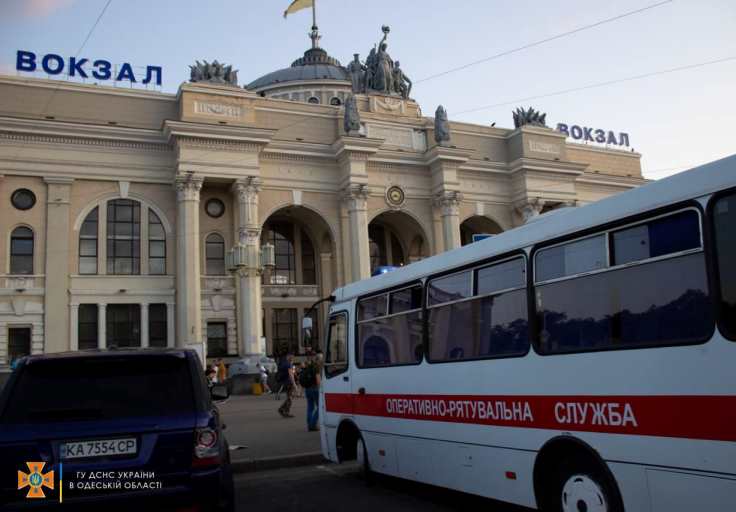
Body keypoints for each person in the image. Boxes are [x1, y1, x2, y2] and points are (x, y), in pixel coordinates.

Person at [300, 350, 322, 431]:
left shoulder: (305, 365)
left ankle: (309, 425)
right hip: (314, 389)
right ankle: (313, 424)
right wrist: (321, 389)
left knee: (310, 408)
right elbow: (318, 380)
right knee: (320, 407)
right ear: (315, 357)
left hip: (307, 389)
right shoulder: (315, 366)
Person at [277, 353, 296, 418]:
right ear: (288, 356)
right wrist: (294, 384)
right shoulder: (288, 364)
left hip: (285, 382)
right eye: (292, 357)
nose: (293, 358)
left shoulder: (283, 363)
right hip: (289, 383)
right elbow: (291, 375)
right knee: (290, 398)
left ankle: (282, 409)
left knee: (290, 397)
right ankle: (284, 411)